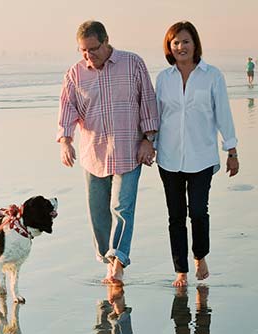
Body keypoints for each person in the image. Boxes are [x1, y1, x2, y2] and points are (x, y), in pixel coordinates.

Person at [57, 20, 159, 286]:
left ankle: (118, 262)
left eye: (93, 49)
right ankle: (107, 260)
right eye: (83, 51)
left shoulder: (133, 63)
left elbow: (147, 101)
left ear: (106, 41)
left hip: (129, 150)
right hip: (94, 153)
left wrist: (149, 139)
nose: (88, 55)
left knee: (123, 207)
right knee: (98, 212)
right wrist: (65, 141)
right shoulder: (75, 74)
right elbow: (68, 109)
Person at [154, 21, 239, 288]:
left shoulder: (212, 75)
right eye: (175, 42)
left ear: (195, 44)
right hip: (169, 157)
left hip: (202, 156)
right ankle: (181, 270)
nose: (181, 46)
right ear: (169, 46)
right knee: (175, 216)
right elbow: (157, 116)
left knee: (199, 211)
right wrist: (148, 144)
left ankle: (200, 256)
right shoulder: (163, 78)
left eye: (186, 41)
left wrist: (231, 150)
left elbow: (223, 113)